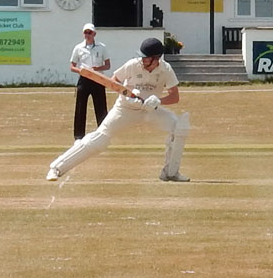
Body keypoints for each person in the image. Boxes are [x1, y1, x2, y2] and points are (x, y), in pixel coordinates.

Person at [47, 37, 191, 183]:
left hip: (150, 110)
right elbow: (114, 81)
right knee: (99, 138)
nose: (142, 60)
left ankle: (171, 172)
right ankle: (56, 168)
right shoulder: (132, 65)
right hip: (126, 109)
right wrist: (126, 93)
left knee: (178, 128)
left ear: (156, 59)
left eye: (146, 58)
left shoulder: (165, 69)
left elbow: (175, 97)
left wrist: (158, 101)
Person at [69, 22, 111, 140]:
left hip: (98, 78)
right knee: (80, 107)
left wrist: (97, 69)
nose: (87, 35)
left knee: (101, 107)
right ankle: (78, 136)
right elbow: (72, 66)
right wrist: (81, 71)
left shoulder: (102, 47)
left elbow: (108, 65)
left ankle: (103, 133)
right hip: (84, 79)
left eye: (90, 32)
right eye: (85, 32)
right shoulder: (78, 48)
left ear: (94, 34)